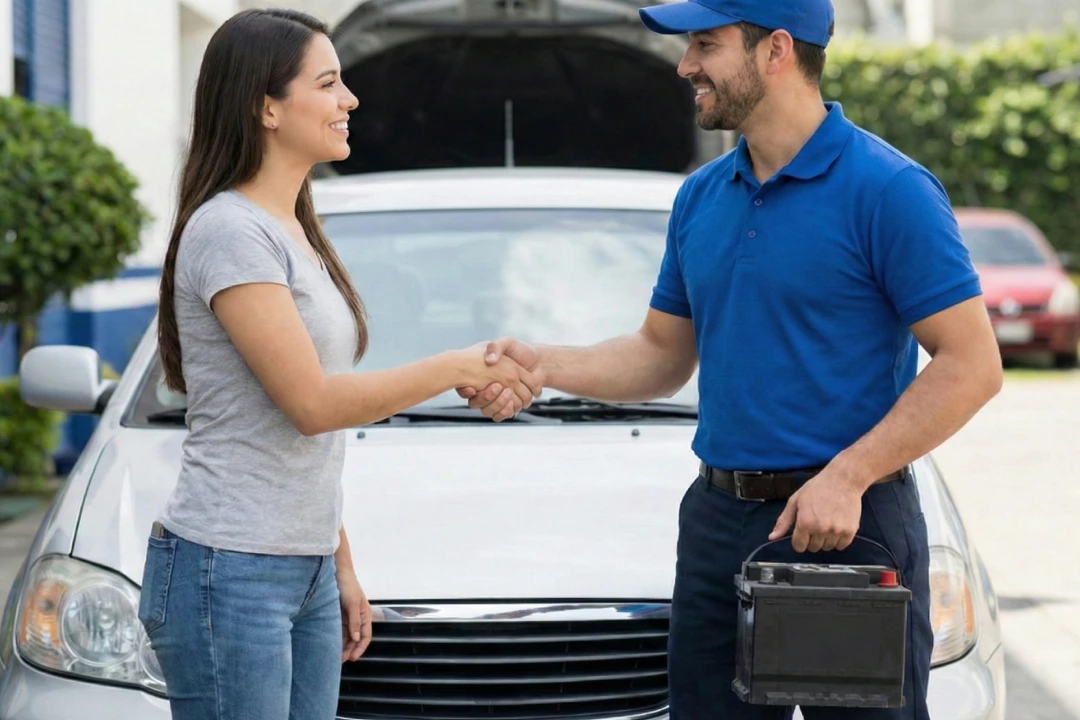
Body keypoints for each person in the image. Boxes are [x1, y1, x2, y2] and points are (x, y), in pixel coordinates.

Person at [458, 0, 1004, 717]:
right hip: (720, 523)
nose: (686, 66)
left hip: (849, 526)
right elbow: (660, 356)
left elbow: (972, 365)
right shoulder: (700, 198)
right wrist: (543, 364)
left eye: (705, 45)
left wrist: (848, 477)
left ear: (776, 51)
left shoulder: (889, 191)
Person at [139, 9, 539, 720]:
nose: (349, 100)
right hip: (227, 570)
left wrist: (337, 563)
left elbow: (302, 440)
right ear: (266, 106)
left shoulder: (294, 227)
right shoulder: (231, 230)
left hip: (301, 569)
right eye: (328, 84)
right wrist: (453, 366)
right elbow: (315, 404)